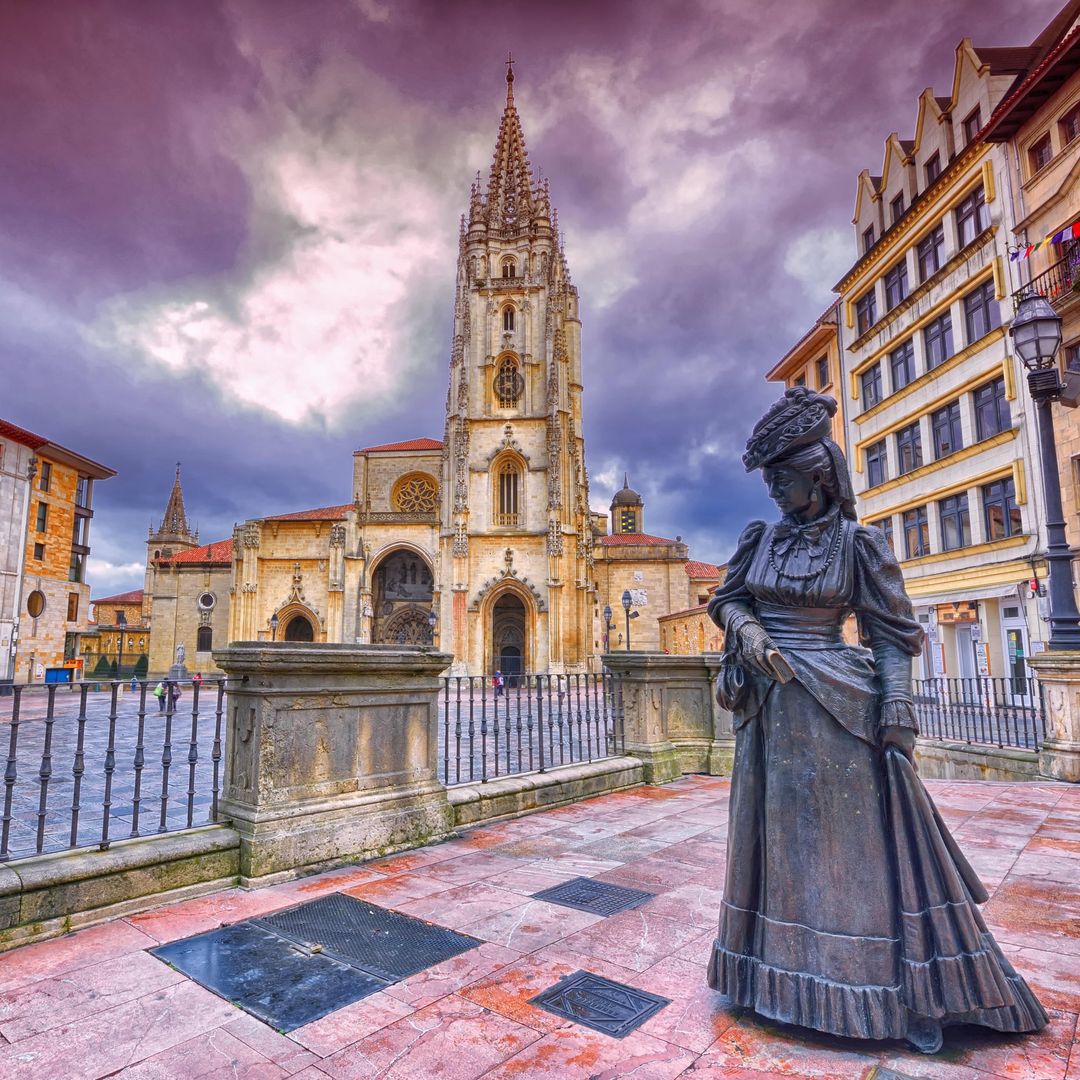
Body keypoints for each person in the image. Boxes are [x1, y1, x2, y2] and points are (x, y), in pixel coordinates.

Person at [707, 387, 1046, 1055]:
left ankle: (868, 987)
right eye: (770, 478)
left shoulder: (859, 545)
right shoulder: (761, 540)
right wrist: (745, 630)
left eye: (784, 478)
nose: (774, 490)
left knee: (846, 854)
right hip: (771, 714)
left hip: (838, 709)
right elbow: (727, 600)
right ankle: (771, 976)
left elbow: (892, 633)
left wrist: (898, 704)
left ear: (819, 475)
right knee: (777, 847)